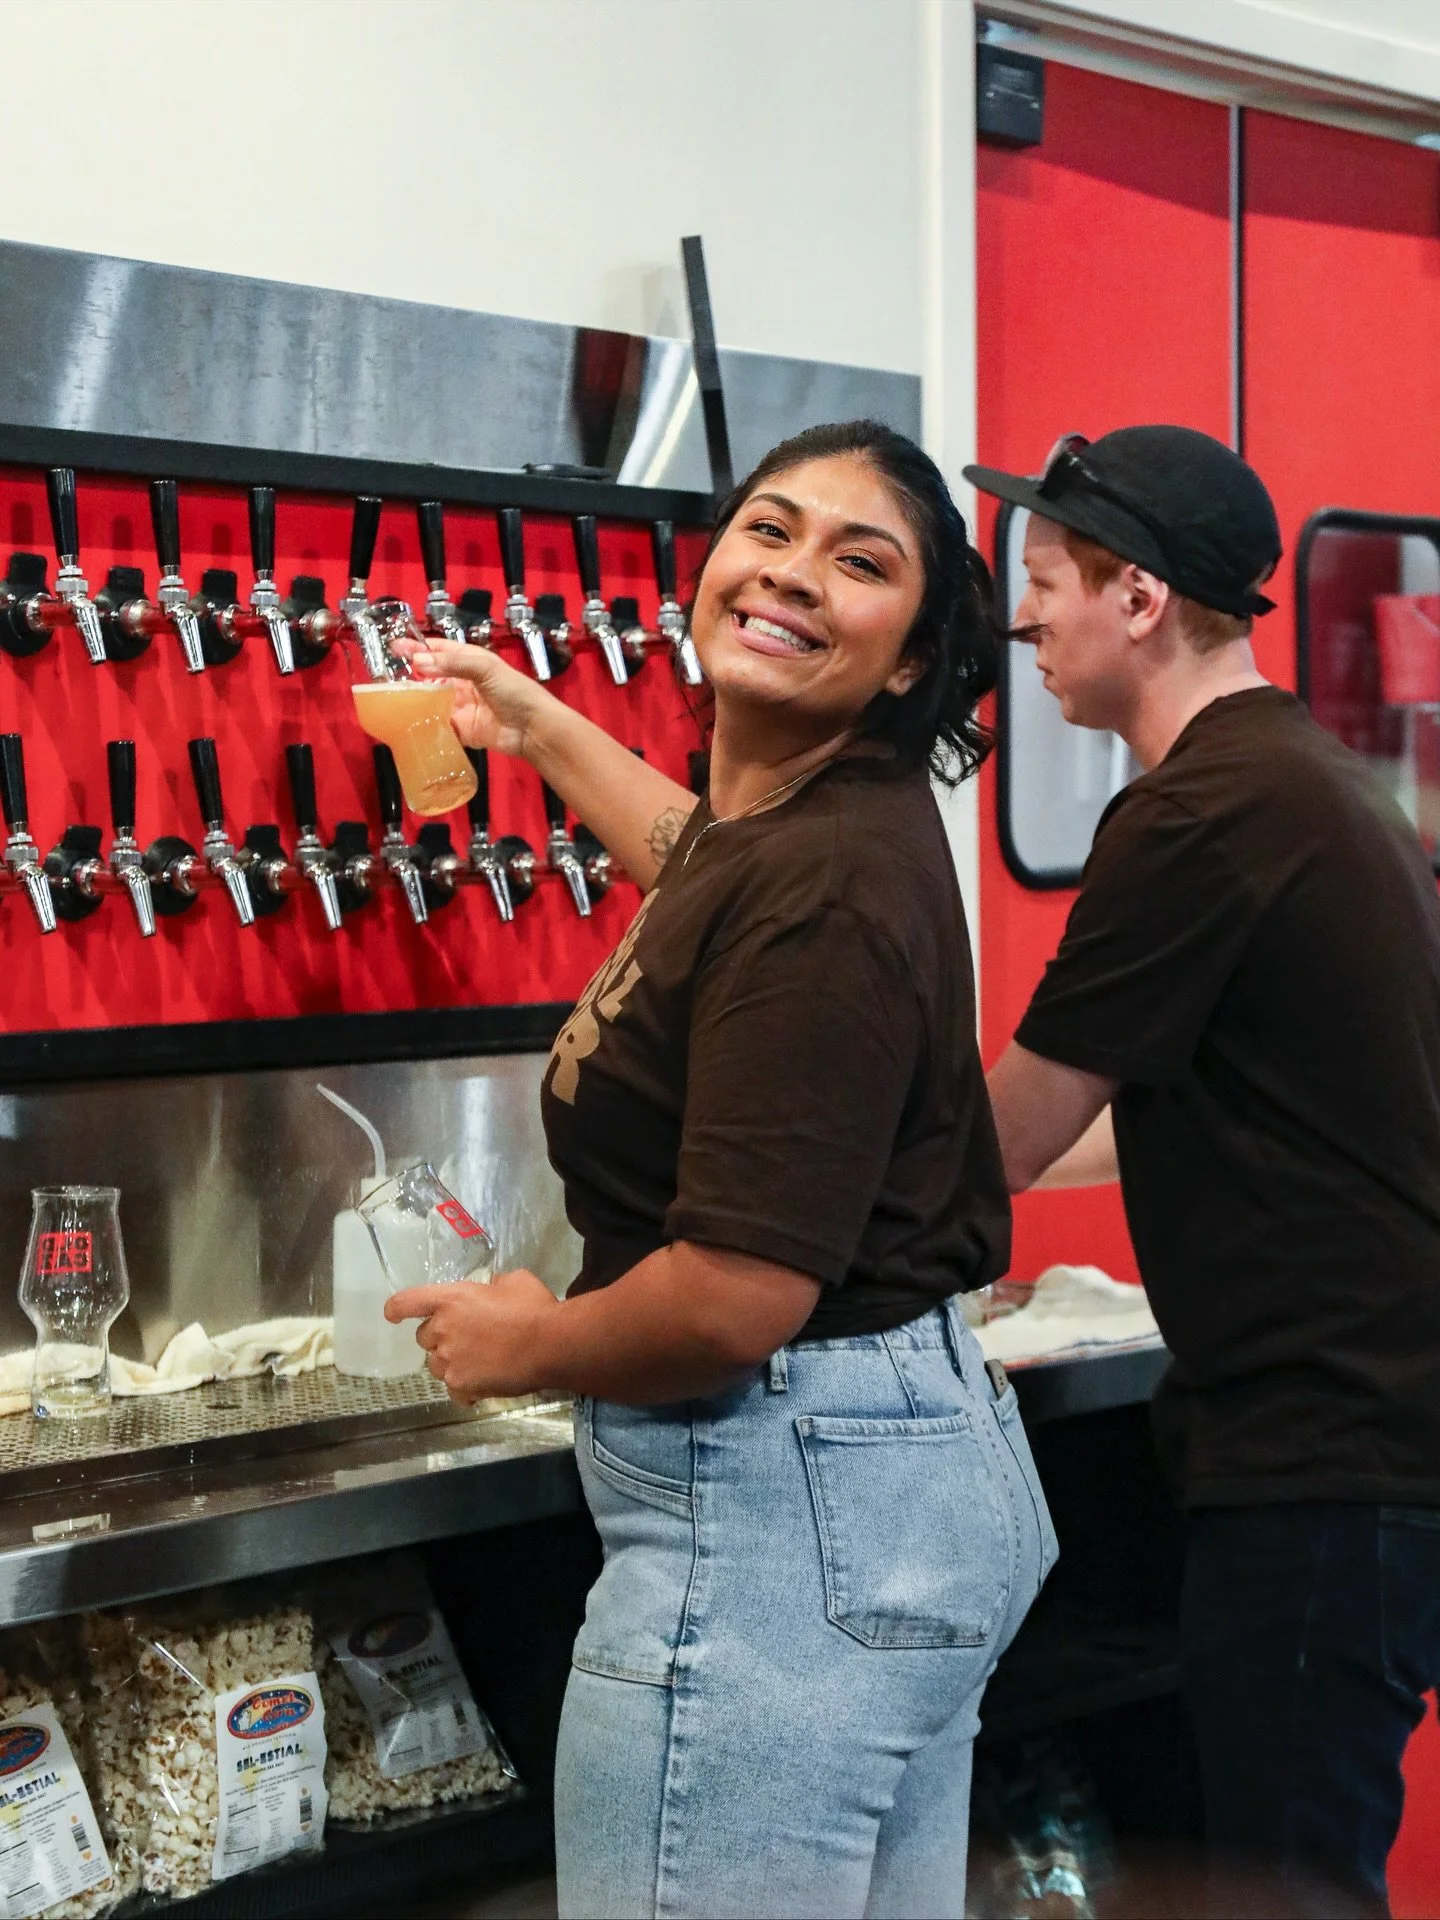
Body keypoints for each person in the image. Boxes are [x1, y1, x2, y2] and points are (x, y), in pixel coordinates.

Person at [385, 419, 1056, 1920]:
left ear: (908, 664)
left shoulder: (818, 889)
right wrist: (534, 720)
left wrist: (524, 1345)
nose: (794, 572)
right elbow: (697, 854)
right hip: (885, 1492)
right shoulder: (795, 828)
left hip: (776, 1520)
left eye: (859, 561)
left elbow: (740, 1293)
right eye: (773, 527)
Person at [967, 425, 1440, 1916]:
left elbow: (1016, 1122)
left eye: (1047, 582)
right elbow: (1192, 1098)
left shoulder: (1197, 812)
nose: (1026, 616)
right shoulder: (1305, 775)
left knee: (1286, 1888)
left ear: (1141, 597)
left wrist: (780, 1232)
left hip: (1325, 1452)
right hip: (1368, 1434)